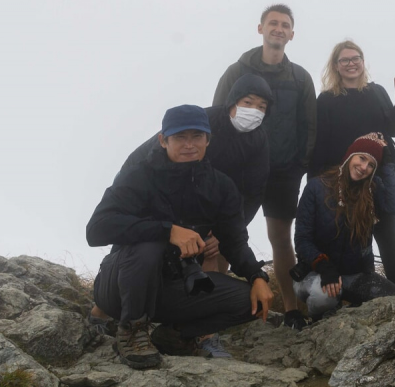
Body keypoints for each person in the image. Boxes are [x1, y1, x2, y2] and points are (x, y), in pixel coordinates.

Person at [86, 105, 274, 369]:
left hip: (175, 288)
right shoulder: (138, 175)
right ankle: (131, 331)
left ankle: (175, 335)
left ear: (208, 140)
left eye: (197, 136)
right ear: (163, 140)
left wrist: (256, 276)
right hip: (120, 287)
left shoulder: (221, 186)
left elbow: (234, 241)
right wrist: (168, 231)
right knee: (149, 243)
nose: (189, 144)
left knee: (249, 301)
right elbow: (96, 230)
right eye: (179, 137)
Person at [213, 4, 317, 329]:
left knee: (281, 239)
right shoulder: (236, 72)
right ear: (260, 29)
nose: (279, 29)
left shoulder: (300, 77)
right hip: (240, 170)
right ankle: (210, 310)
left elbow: (310, 127)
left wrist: (301, 165)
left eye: (285, 25)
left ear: (292, 34)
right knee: (225, 235)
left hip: (283, 172)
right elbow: (218, 117)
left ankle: (292, 310)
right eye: (273, 23)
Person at [121, 74, 272, 272]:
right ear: (233, 101)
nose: (253, 111)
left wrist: (225, 232)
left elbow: (254, 193)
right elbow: (157, 153)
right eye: (247, 102)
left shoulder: (259, 141)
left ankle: (209, 295)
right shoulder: (204, 121)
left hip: (214, 201)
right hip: (163, 193)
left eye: (261, 107)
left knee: (213, 249)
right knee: (145, 252)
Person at [308, 41, 395, 288]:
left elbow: (394, 130)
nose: (351, 63)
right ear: (336, 66)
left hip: (380, 173)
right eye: (345, 60)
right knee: (352, 238)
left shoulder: (376, 92)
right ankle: (356, 290)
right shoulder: (326, 100)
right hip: (343, 177)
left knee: (388, 234)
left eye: (356, 58)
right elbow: (320, 143)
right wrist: (314, 182)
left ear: (363, 62)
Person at [292, 134, 395, 321]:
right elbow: (302, 239)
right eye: (362, 158)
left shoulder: (372, 190)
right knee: (324, 298)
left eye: (371, 165)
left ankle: (351, 309)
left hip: (355, 275)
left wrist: (388, 164)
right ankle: (318, 322)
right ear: (351, 155)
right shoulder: (316, 187)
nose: (363, 167)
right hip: (316, 273)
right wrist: (324, 266)